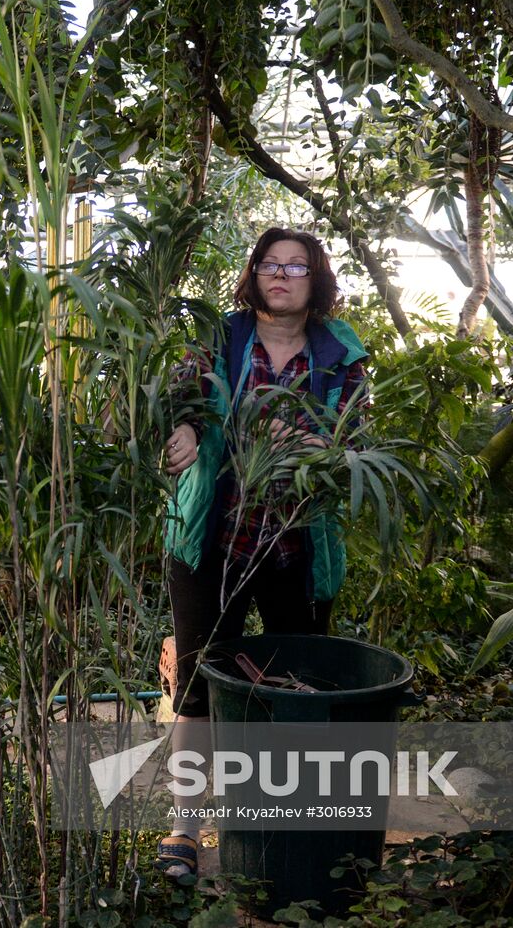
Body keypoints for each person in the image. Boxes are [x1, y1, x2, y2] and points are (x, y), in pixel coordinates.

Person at [155, 227, 368, 877]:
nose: (280, 275)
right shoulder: (217, 338)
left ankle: (279, 836)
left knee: (294, 688)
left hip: (294, 543)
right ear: (252, 275)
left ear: (316, 279)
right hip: (210, 537)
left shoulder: (339, 354)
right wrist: (183, 429)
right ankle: (185, 832)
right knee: (194, 683)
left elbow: (355, 443)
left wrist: (309, 448)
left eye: (295, 266)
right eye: (268, 265)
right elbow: (177, 400)